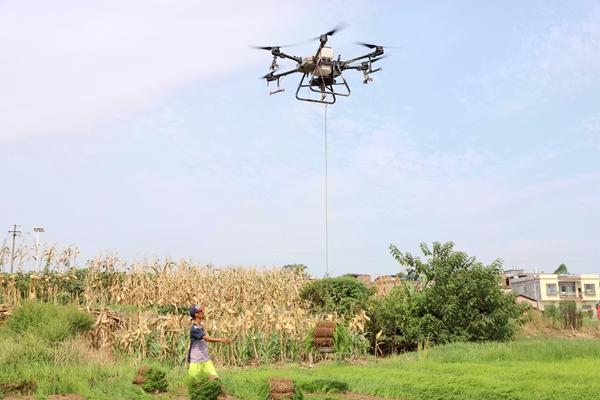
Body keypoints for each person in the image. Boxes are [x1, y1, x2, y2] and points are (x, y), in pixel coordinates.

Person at [186, 304, 231, 380]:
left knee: (215, 380)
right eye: (200, 311)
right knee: (194, 383)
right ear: (196, 314)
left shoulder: (200, 327)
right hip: (196, 360)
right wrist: (221, 340)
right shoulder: (194, 328)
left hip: (205, 359)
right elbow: (206, 339)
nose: (203, 312)